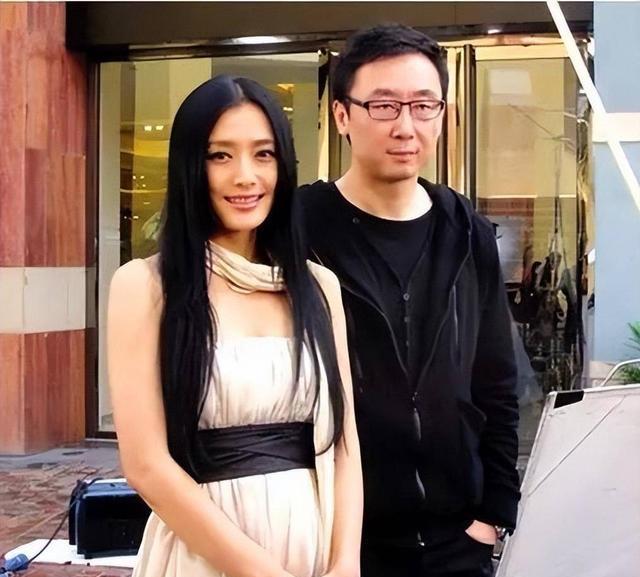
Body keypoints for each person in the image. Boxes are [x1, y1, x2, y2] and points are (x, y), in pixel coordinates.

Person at [107, 75, 362, 577]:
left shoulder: (318, 287)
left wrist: (345, 561)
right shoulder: (146, 286)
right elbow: (146, 466)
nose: (246, 176)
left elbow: (345, 444)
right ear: (189, 167)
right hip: (203, 557)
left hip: (313, 552)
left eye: (263, 154)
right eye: (220, 156)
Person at [295, 24, 520, 577]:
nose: (406, 126)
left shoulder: (465, 230)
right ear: (342, 115)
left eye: (424, 106)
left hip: (457, 541)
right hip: (338, 542)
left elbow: (495, 379)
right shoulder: (299, 228)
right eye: (384, 106)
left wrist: (494, 513)